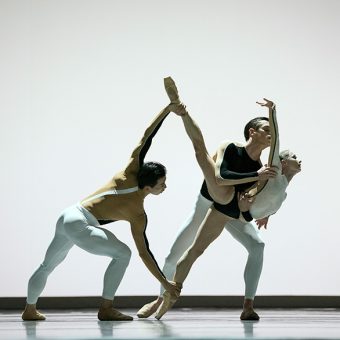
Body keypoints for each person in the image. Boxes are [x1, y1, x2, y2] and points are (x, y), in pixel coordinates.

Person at [137, 78, 301, 320]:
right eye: (266, 130)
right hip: (208, 200)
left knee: (257, 245)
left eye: (272, 132)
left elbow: (253, 199)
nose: (271, 135)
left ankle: (248, 305)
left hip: (226, 207)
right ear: (252, 132)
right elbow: (221, 177)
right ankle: (161, 297)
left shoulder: (260, 167)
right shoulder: (232, 147)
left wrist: (259, 210)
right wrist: (255, 177)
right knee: (175, 254)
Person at [22, 103, 181, 321]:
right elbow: (144, 253)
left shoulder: (129, 171)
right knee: (123, 254)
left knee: (47, 266)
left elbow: (146, 136)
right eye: (162, 184)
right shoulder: (138, 214)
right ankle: (106, 308)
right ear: (148, 188)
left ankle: (29, 310)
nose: (165, 187)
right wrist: (166, 283)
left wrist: (167, 110)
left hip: (68, 215)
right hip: (80, 223)